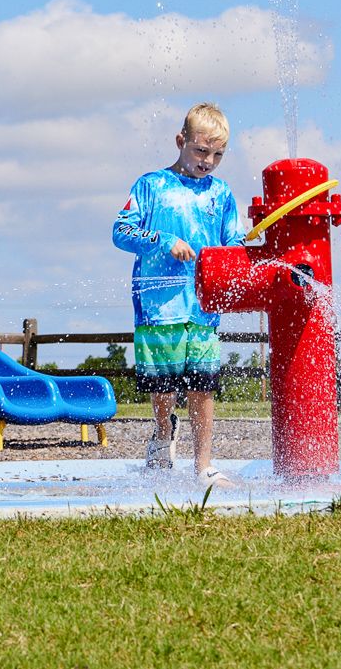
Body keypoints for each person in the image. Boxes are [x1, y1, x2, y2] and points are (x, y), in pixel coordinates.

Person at [113, 102, 244, 490]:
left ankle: (203, 466)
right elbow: (121, 231)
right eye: (201, 150)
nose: (209, 161)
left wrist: (235, 260)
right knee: (164, 387)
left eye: (218, 154)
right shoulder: (151, 186)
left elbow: (233, 242)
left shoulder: (221, 194)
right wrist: (164, 241)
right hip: (158, 307)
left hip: (203, 308)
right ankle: (161, 434)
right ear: (180, 141)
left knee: (203, 386)